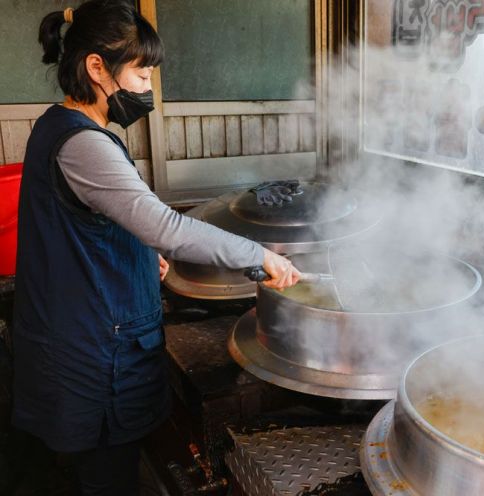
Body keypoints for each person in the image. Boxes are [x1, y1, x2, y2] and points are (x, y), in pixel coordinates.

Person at [11, 1, 300, 494]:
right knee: (109, 479)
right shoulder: (84, 143)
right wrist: (262, 255)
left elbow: (88, 223)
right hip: (96, 354)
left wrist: (137, 253)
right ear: (96, 67)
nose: (147, 88)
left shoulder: (57, 124)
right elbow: (166, 225)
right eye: (142, 75)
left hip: (82, 335)